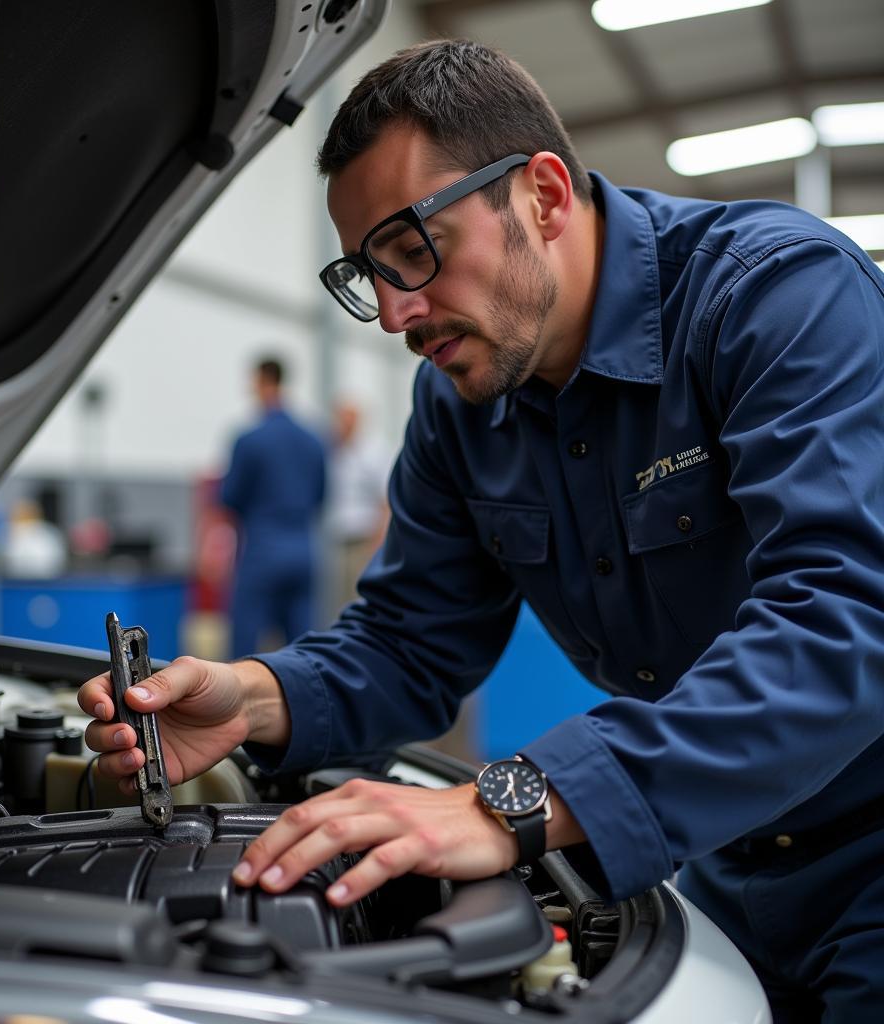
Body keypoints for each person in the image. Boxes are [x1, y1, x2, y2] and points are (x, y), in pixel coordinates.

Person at [80, 41, 884, 1020]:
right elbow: (410, 639)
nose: (391, 313)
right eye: (364, 274)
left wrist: (515, 799)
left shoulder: (775, 297)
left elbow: (846, 617)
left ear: (542, 195)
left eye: (412, 250)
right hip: (722, 857)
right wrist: (252, 697)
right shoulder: (460, 405)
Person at [219, 356, 326, 657]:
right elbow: (320, 496)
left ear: (262, 381)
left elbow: (230, 497)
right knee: (302, 648)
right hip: (304, 549)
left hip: (262, 549)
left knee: (245, 644)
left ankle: (238, 704)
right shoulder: (314, 439)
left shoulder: (250, 439)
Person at [325, 400, 392, 612]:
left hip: (363, 540)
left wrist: (379, 540)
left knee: (361, 600)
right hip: (336, 540)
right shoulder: (332, 453)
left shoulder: (373, 452)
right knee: (337, 603)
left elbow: (385, 499)